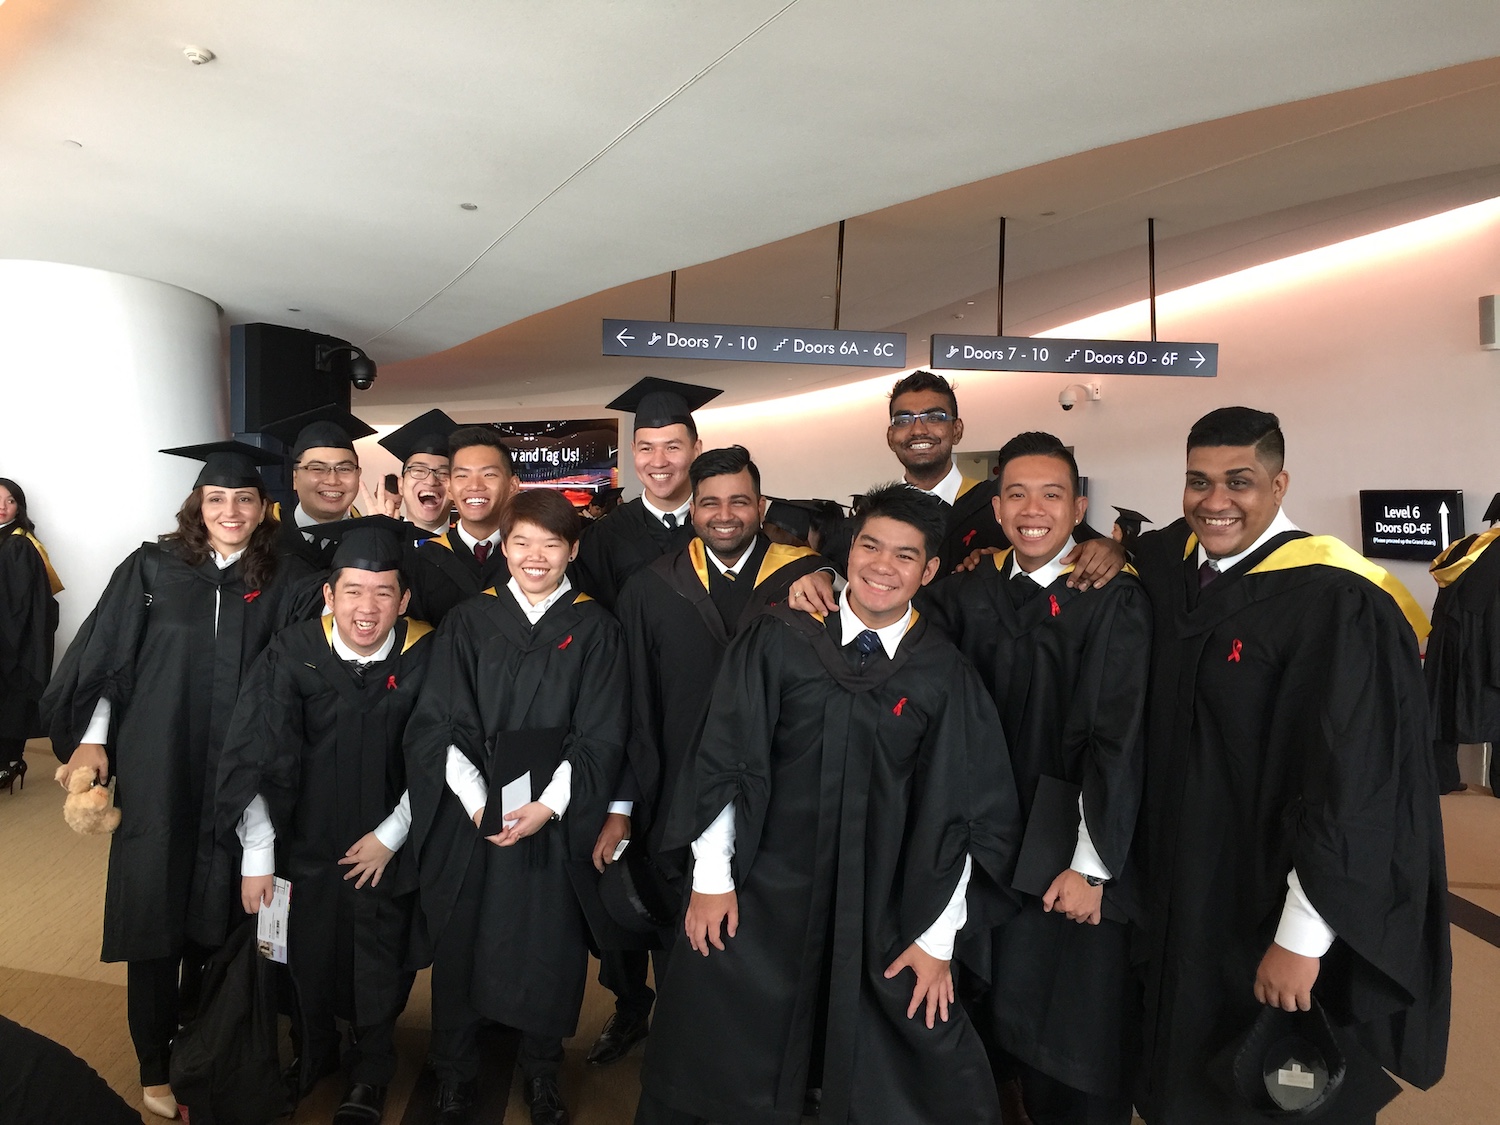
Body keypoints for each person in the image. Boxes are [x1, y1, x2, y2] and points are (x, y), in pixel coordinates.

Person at [636, 483, 1021, 1125]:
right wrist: (710, 879)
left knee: (905, 1047)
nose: (881, 566)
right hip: (761, 882)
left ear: (929, 571)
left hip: (886, 893)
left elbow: (962, 810)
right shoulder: (778, 638)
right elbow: (725, 759)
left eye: (905, 556)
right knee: (719, 1036)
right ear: (846, 552)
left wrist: (937, 939)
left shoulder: (943, 675)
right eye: (870, 546)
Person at [1130, 407, 1450, 1124]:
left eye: (1238, 481)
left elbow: (1355, 781)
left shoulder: (1337, 598)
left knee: (1277, 1084)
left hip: (1273, 898)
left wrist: (1302, 939)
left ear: (1279, 484)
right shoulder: (1164, 565)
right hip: (1184, 888)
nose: (1215, 501)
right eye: (1198, 481)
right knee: (1185, 1069)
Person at [41, 440, 312, 1120]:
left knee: (225, 916)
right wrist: (95, 741)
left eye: (244, 499)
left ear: (263, 507)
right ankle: (154, 1065)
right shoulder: (152, 568)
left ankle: (209, 1043)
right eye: (216, 499)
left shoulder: (288, 577)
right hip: (161, 763)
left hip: (239, 765)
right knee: (156, 915)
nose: (230, 510)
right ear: (198, 505)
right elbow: (110, 660)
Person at [915, 433, 1151, 1125]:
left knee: (1068, 1026)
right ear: (994, 505)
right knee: (987, 1011)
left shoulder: (1113, 599)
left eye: (1052, 494)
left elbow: (1120, 735)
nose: (1032, 508)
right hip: (985, 839)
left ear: (1079, 505)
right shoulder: (967, 592)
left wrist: (1093, 863)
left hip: (1065, 848)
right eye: (1015, 493)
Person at [597, 447, 825, 1067]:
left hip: (778, 801)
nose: (725, 515)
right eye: (711, 502)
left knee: (768, 937)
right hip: (675, 792)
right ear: (691, 509)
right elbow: (633, 704)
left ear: (762, 506)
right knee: (679, 936)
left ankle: (760, 1069)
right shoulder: (651, 587)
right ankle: (684, 1064)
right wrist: (621, 805)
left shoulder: (805, 579)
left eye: (740, 501)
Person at [406, 489, 627, 1125]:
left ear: (573, 550)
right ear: (505, 548)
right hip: (471, 818)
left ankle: (540, 1071)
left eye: (551, 543)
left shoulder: (595, 629)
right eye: (522, 542)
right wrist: (480, 802)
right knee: (463, 939)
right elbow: (436, 724)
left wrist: (547, 807)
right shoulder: (470, 621)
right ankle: (453, 1068)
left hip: (551, 823)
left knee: (547, 948)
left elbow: (602, 732)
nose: (535, 556)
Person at [211, 518, 433, 1125]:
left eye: (384, 592)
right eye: (353, 591)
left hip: (391, 848)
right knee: (298, 953)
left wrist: (391, 836)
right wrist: (257, 861)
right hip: (302, 848)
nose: (368, 607)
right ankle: (316, 1053)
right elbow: (254, 757)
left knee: (382, 960)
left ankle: (372, 1070)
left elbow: (445, 757)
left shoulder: (428, 655)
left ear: (404, 599)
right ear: (329, 595)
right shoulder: (291, 653)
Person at [571, 378, 722, 612]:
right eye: (646, 448)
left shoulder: (722, 527)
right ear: (633, 451)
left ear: (696, 450)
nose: (658, 461)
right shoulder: (603, 537)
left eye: (672, 447)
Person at [405, 425, 519, 628]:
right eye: (462, 475)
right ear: (449, 488)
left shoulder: (530, 559)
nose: (474, 485)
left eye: (489, 474)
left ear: (513, 487)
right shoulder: (422, 561)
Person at [1424, 509, 1500, 794]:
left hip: (1449, 642)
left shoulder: (1463, 546)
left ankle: (1441, 780)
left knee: (1441, 710)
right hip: (1490, 645)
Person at [0, 477, 63, 792]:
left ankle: (8, 762)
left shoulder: (18, 544)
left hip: (11, 641)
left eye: (10, 500)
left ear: (19, 507)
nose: (2, 507)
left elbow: (18, 605)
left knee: (9, 700)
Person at [262, 404, 377, 569]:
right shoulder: (265, 539)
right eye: (317, 468)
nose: (332, 480)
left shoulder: (370, 542)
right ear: (295, 478)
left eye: (344, 469)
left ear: (358, 474)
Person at [377, 408, 460, 542]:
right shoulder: (381, 544)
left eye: (443, 473)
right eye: (419, 470)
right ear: (401, 485)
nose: (431, 481)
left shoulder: (472, 554)